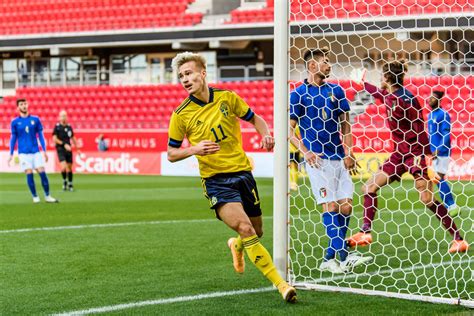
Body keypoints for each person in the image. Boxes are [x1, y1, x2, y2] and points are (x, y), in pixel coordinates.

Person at [167, 52, 296, 302]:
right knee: (246, 228)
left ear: (203, 73)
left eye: (189, 73)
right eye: (181, 76)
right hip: (216, 180)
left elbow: (255, 119)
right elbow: (171, 154)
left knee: (256, 231)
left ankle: (236, 246)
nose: (185, 79)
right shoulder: (181, 114)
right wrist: (194, 149)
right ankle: (281, 285)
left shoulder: (227, 98)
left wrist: (265, 135)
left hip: (242, 173)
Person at [347, 60, 468, 253]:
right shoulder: (391, 97)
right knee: (368, 187)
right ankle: (365, 232)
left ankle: (458, 239)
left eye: (381, 75)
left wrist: (427, 156)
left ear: (387, 77)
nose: (379, 78)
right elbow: (381, 95)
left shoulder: (407, 99)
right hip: (398, 155)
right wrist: (364, 86)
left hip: (415, 155)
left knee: (427, 199)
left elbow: (419, 129)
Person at [290, 48, 372, 274]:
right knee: (331, 206)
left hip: (338, 156)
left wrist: (349, 151)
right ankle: (345, 256)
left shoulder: (336, 91)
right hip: (317, 160)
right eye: (325, 62)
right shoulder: (298, 94)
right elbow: (289, 128)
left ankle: (328, 258)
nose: (329, 66)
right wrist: (305, 151)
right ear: (312, 66)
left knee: (346, 206)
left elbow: (346, 124)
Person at [8, 99, 58, 203]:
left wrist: (44, 150)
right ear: (18, 108)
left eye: (25, 104)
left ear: (28, 105)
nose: (24, 106)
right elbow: (13, 138)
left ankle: (47, 196)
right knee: (29, 173)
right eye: (21, 104)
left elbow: (40, 136)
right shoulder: (15, 122)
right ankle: (35, 196)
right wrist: (11, 153)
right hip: (23, 153)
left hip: (35, 151)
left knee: (42, 172)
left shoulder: (35, 119)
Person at [427, 90, 460, 217]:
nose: (430, 99)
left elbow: (446, 134)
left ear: (439, 101)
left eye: (433, 98)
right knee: (436, 179)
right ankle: (448, 205)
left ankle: (451, 205)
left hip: (442, 151)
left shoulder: (443, 114)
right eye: (429, 97)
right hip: (433, 152)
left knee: (439, 178)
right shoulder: (430, 115)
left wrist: (438, 148)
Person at [53, 110, 80, 191]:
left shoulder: (69, 127)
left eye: (64, 116)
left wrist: (77, 148)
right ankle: (64, 181)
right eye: (62, 116)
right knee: (63, 167)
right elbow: (54, 139)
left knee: (70, 168)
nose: (63, 117)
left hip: (69, 149)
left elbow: (73, 138)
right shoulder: (57, 127)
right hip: (60, 149)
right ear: (59, 117)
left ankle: (70, 184)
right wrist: (64, 144)